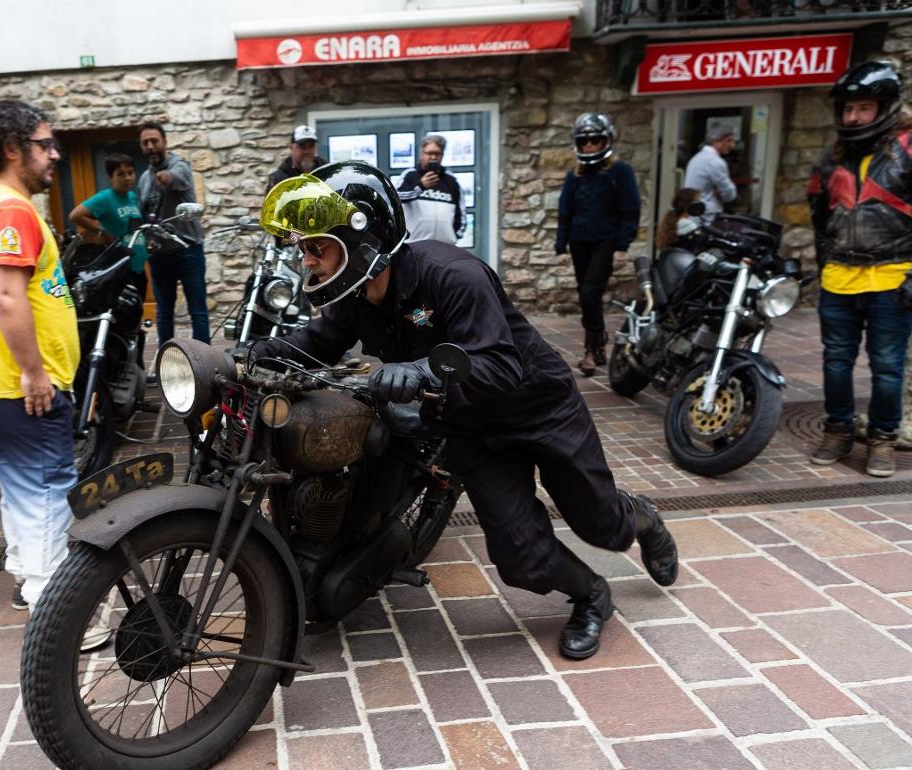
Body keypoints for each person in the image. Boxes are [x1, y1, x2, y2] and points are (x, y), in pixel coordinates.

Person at [250, 161, 678, 660]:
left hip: (538, 407)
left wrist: (422, 370)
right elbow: (315, 343)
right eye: (305, 249)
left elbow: (499, 365)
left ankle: (642, 519)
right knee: (519, 556)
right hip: (471, 427)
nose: (308, 261)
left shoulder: (452, 276)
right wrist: (249, 356)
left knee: (600, 523)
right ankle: (592, 595)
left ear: (361, 238)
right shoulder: (359, 296)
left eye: (316, 247)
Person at [0, 101, 80, 612]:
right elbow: (7, 297)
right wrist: (35, 373)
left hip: (6, 383)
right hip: (26, 385)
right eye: (44, 144)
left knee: (24, 488)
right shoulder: (11, 211)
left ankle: (29, 578)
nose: (54, 154)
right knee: (49, 492)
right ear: (13, 150)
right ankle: (54, 605)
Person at [807, 60, 912, 478]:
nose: (853, 117)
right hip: (839, 278)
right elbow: (819, 220)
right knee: (835, 362)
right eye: (848, 109)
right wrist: (823, 266)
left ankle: (882, 440)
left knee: (887, 367)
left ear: (885, 107)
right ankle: (838, 430)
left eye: (863, 108)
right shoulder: (829, 161)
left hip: (893, 277)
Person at [555, 114, 641, 377]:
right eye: (585, 141)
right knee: (586, 294)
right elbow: (565, 211)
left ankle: (592, 349)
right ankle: (599, 340)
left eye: (595, 140)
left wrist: (622, 246)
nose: (590, 145)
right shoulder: (575, 175)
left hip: (606, 240)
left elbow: (630, 209)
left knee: (590, 293)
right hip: (579, 241)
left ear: (606, 140)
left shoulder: (619, 172)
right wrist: (561, 245)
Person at [137, 121, 210, 344]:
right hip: (159, 254)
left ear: (165, 143)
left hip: (188, 248)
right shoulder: (143, 179)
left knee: (197, 310)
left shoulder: (180, 166)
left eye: (154, 141)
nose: (150, 146)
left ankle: (205, 362)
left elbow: (174, 177)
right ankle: (165, 359)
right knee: (163, 312)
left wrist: (164, 177)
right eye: (145, 143)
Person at [68, 152, 148, 291]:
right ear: (111, 177)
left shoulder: (132, 197)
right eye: (121, 174)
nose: (127, 178)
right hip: (119, 268)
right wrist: (102, 230)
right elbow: (75, 215)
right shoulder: (105, 198)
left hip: (138, 268)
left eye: (130, 173)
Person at [396, 134, 465, 245]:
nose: (433, 157)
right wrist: (420, 186)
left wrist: (456, 235)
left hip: (445, 246)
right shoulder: (409, 175)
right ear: (422, 154)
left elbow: (461, 212)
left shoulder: (451, 180)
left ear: (442, 155)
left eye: (437, 153)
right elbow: (397, 199)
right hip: (414, 245)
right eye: (429, 153)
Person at [683, 122, 737, 223]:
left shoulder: (697, 157)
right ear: (716, 141)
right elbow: (729, 194)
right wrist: (720, 192)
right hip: (706, 216)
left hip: (695, 213)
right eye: (729, 140)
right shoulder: (714, 161)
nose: (732, 145)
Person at [267, 124, 327, 189]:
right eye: (302, 146)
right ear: (291, 148)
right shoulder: (278, 179)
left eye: (311, 146)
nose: (307, 151)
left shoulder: (326, 172)